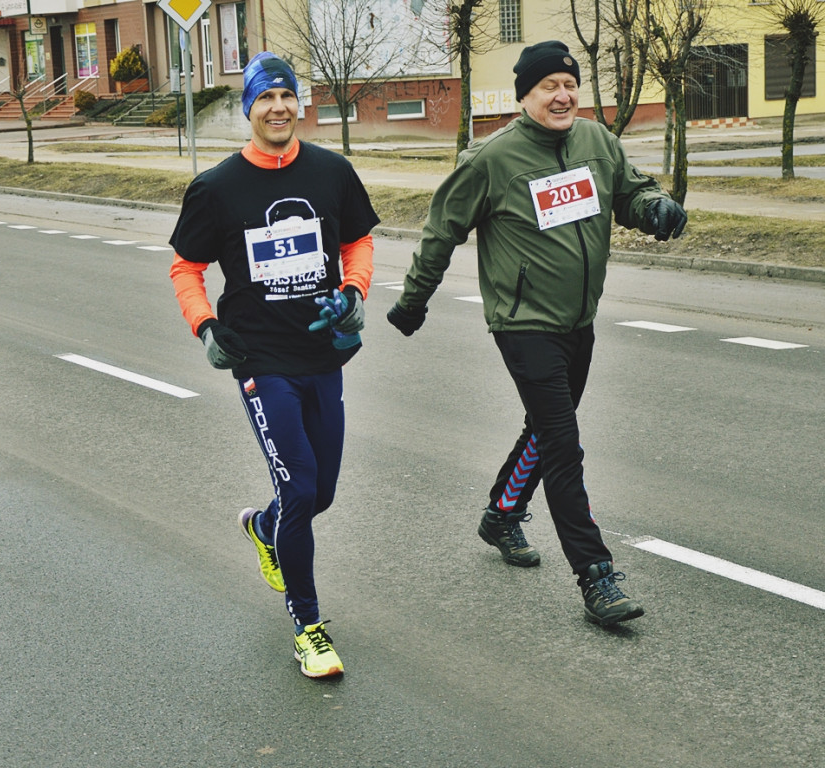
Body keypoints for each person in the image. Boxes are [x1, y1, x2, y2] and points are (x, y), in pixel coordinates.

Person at [386, 41, 687, 626]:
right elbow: (441, 231)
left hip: (579, 318)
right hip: (523, 325)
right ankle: (596, 578)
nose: (562, 95)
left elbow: (628, 190)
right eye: (547, 86)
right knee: (563, 444)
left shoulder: (597, 141)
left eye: (569, 84)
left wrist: (653, 208)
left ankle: (502, 513)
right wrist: (412, 302)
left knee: (545, 431)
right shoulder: (492, 159)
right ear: (524, 96)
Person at [169, 52, 378, 677]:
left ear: (299, 104)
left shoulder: (331, 172)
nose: (279, 108)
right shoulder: (217, 188)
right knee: (300, 488)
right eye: (265, 98)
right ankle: (308, 624)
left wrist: (355, 293)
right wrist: (206, 326)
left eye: (287, 96)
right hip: (261, 358)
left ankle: (263, 527)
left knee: (323, 492)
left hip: (323, 352)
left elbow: (358, 241)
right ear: (249, 109)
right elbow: (186, 268)